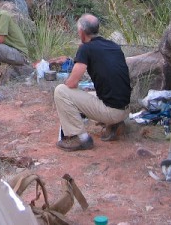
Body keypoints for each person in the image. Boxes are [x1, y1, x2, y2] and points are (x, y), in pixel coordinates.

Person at [50, 14, 131, 152]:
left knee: (61, 91)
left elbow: (71, 83)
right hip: (125, 108)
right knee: (89, 93)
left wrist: (69, 79)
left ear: (81, 31)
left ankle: (79, 138)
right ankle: (115, 125)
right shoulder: (113, 46)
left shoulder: (86, 48)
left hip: (110, 111)